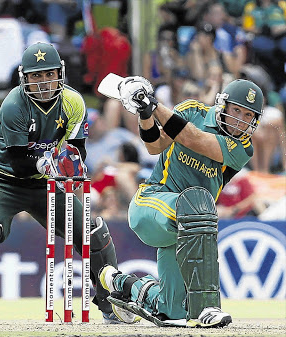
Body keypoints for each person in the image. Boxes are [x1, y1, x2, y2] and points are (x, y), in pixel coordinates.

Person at [0, 42, 139, 325]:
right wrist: (47, 163)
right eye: (36, 76)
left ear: (60, 73)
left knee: (92, 231)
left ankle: (111, 305)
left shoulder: (73, 102)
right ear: (25, 78)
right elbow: (18, 160)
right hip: (5, 180)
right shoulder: (14, 105)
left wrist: (69, 161)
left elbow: (77, 149)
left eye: (49, 74)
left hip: (45, 183)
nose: (44, 82)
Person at [97, 76, 264, 328]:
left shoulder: (242, 147)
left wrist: (151, 104)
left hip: (185, 232)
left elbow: (194, 139)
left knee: (172, 313)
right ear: (223, 106)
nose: (240, 120)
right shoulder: (191, 111)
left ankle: (124, 284)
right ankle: (208, 306)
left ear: (255, 121)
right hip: (151, 204)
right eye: (236, 110)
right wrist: (145, 113)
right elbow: (154, 146)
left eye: (248, 115)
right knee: (198, 206)